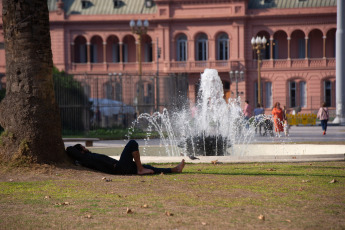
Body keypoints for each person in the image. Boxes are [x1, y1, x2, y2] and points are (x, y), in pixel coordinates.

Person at [66, 140, 185, 175]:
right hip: (117, 168)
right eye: (83, 147)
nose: (85, 148)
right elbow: (69, 149)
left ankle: (175, 169)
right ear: (80, 151)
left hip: (120, 167)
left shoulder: (87, 156)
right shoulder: (85, 158)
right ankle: (140, 169)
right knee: (132, 143)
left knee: (149, 168)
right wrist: (78, 148)